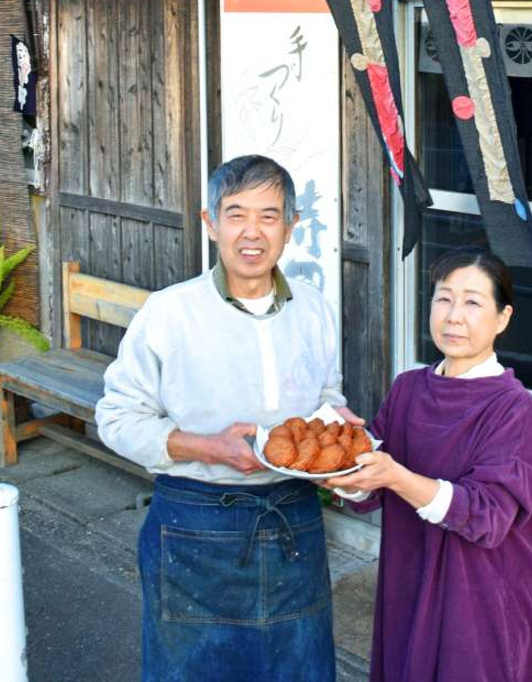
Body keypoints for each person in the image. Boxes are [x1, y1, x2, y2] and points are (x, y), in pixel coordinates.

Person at [96, 154, 358, 682]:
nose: (252, 233)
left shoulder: (314, 309)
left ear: (291, 227)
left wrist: (343, 428)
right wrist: (207, 446)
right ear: (210, 223)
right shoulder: (170, 313)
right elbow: (116, 418)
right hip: (194, 524)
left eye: (269, 215)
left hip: (294, 519)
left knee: (299, 670)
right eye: (236, 215)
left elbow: (325, 393)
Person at [326, 246, 532, 682]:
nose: (453, 316)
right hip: (409, 580)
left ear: (503, 318)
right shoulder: (408, 388)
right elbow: (372, 486)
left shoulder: (516, 411)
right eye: (444, 298)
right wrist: (342, 471)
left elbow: (487, 516)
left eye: (472, 302)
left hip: (482, 598)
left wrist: (397, 476)